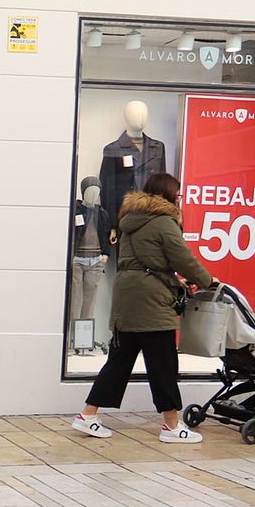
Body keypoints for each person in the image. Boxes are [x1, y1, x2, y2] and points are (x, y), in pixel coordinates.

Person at [72, 172, 215, 443]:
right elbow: (183, 257)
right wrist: (207, 281)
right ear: (167, 194)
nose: (179, 198)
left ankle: (87, 415)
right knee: (163, 364)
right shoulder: (163, 222)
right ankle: (172, 426)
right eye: (178, 193)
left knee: (119, 362)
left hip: (127, 297)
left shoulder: (130, 220)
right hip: (152, 303)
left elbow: (148, 259)